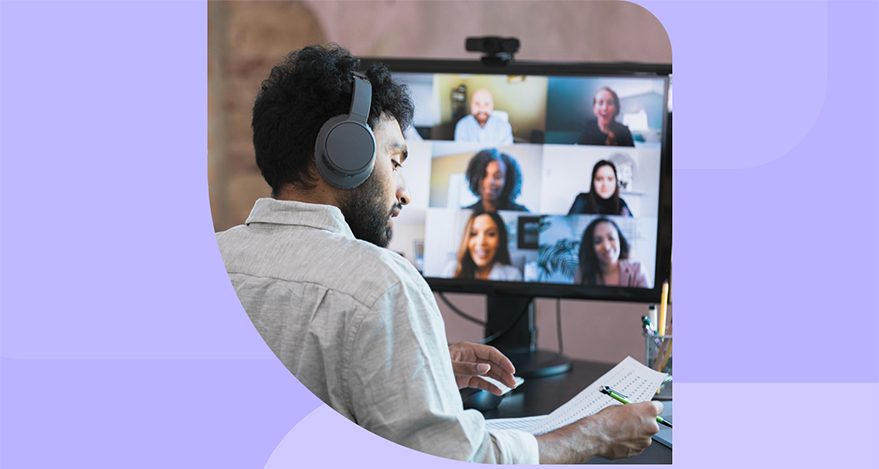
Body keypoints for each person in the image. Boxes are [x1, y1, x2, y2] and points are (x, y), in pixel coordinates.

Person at [217, 45, 661, 464]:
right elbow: (453, 461)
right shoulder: (381, 286)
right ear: (341, 155)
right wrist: (595, 434)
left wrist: (400, 368)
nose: (405, 191)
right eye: (395, 161)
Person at [442, 212, 522, 281]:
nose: (481, 242)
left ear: (500, 240)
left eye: (491, 234)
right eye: (474, 234)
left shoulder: (513, 276)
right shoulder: (451, 271)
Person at [576, 217, 651, 288]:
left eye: (611, 238)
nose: (606, 246)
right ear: (591, 246)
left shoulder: (637, 272)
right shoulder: (582, 274)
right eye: (598, 241)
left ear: (619, 241)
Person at [463, 148, 529, 213]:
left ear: (508, 180)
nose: (490, 182)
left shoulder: (522, 213)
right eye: (484, 175)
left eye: (498, 176)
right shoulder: (466, 213)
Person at [569, 160, 633, 216]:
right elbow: (569, 226)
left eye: (610, 179)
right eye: (599, 179)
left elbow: (632, 227)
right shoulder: (582, 200)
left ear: (615, 182)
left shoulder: (621, 204)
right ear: (593, 181)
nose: (605, 184)